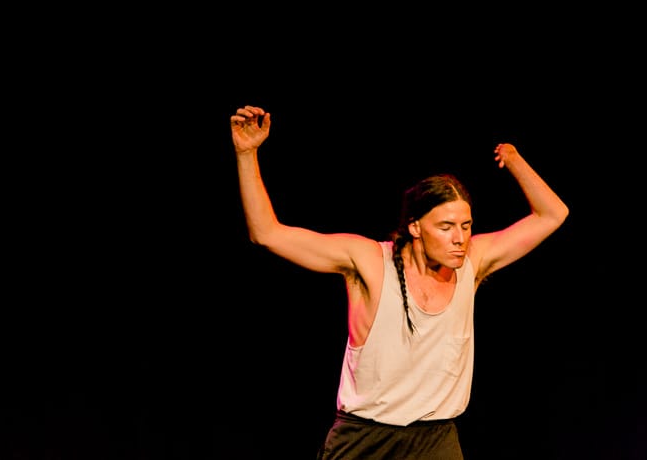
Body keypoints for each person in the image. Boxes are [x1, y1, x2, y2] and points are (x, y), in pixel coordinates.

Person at [229, 104, 569, 460]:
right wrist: (247, 152)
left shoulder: (473, 262)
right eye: (446, 227)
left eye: (466, 226)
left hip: (435, 439)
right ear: (415, 227)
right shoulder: (369, 261)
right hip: (365, 438)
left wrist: (513, 159)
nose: (460, 238)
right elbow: (267, 233)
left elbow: (553, 213)